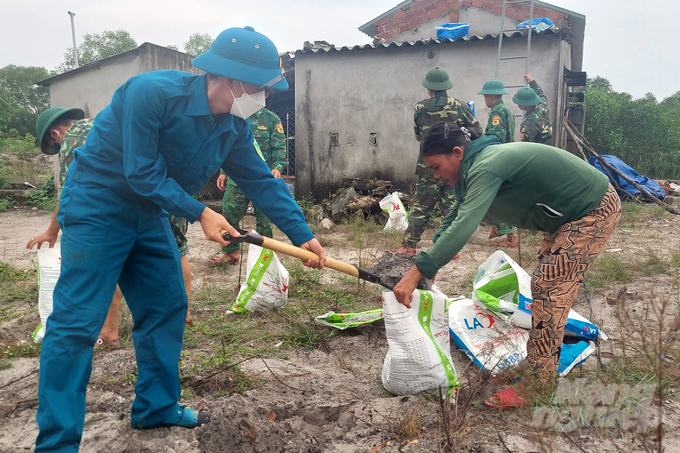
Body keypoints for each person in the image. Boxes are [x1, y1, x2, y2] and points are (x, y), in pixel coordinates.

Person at [35, 26, 326, 452]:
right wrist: (202, 212)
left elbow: (263, 183)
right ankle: (58, 443)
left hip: (149, 210)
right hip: (99, 201)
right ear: (229, 80)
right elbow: (140, 171)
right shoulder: (150, 93)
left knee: (166, 303)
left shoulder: (233, 127)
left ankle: (155, 407)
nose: (264, 97)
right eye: (260, 87)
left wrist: (304, 236)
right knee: (78, 321)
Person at [392, 122, 621, 407]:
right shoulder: (472, 171)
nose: (437, 176)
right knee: (544, 290)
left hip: (592, 209)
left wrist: (418, 270)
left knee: (550, 289)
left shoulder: (487, 165)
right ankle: (536, 365)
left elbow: (465, 225)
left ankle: (538, 385)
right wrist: (432, 264)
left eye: (437, 167)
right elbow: (454, 216)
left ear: (457, 152)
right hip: (565, 218)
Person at [28, 107, 122, 346]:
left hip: (109, 207)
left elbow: (70, 189)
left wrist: (52, 231)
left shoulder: (74, 137)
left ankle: (106, 332)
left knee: (99, 266)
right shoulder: (100, 122)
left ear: (54, 134)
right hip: (144, 196)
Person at [396, 66, 482, 256]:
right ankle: (450, 247)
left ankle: (409, 245)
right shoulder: (461, 106)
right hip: (454, 164)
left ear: (430, 88)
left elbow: (419, 136)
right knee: (451, 205)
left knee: (422, 204)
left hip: (428, 166)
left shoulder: (421, 107)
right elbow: (477, 132)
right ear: (446, 86)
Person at [212, 107, 287, 265]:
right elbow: (228, 146)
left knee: (264, 220)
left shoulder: (271, 119)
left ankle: (265, 258)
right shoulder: (236, 117)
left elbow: (279, 148)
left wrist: (277, 168)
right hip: (237, 177)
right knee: (229, 213)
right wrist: (224, 172)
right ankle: (232, 252)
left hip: (263, 178)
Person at [478, 79, 519, 249]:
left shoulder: (496, 112)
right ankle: (496, 229)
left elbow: (495, 138)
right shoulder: (507, 111)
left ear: (490, 96)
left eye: (485, 96)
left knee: (498, 196)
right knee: (497, 195)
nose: (484, 100)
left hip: (499, 159)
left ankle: (511, 237)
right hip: (507, 157)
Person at [513, 74, 553, 144]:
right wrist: (531, 81)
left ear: (523, 105)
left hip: (538, 152)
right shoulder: (543, 105)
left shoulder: (529, 123)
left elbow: (526, 146)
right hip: (549, 146)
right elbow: (540, 93)